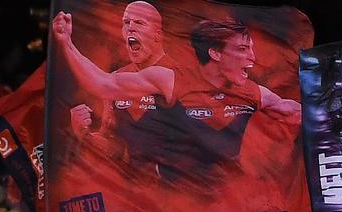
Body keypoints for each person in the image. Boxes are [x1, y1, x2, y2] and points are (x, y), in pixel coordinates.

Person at [52, 10, 300, 183]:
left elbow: (291, 110)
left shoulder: (250, 91)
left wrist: (330, 108)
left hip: (225, 203)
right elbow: (104, 83)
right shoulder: (171, 80)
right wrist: (66, 44)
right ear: (215, 54)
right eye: (243, 49)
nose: (252, 58)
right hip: (171, 206)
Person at [70, 1, 179, 177]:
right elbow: (113, 145)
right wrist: (84, 135)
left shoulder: (179, 76)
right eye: (126, 22)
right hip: (134, 192)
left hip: (178, 192)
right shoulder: (115, 79)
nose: (130, 28)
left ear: (157, 35)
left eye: (139, 23)